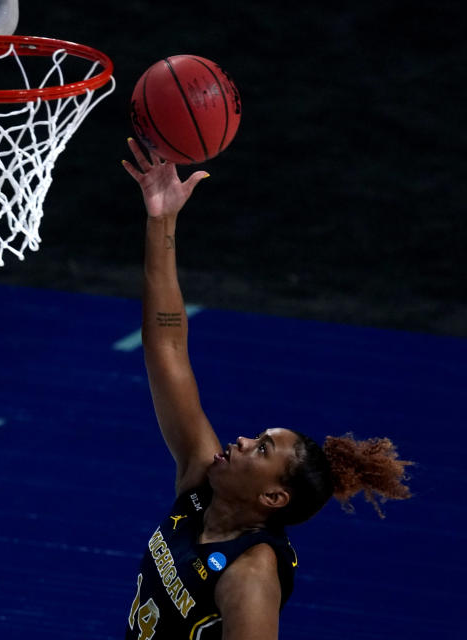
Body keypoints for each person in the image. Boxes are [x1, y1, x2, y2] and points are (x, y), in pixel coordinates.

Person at [120, 138, 413, 640]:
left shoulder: (251, 577)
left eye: (261, 448)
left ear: (273, 496)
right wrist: (162, 221)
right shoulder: (199, 488)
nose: (238, 441)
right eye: (257, 437)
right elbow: (166, 345)